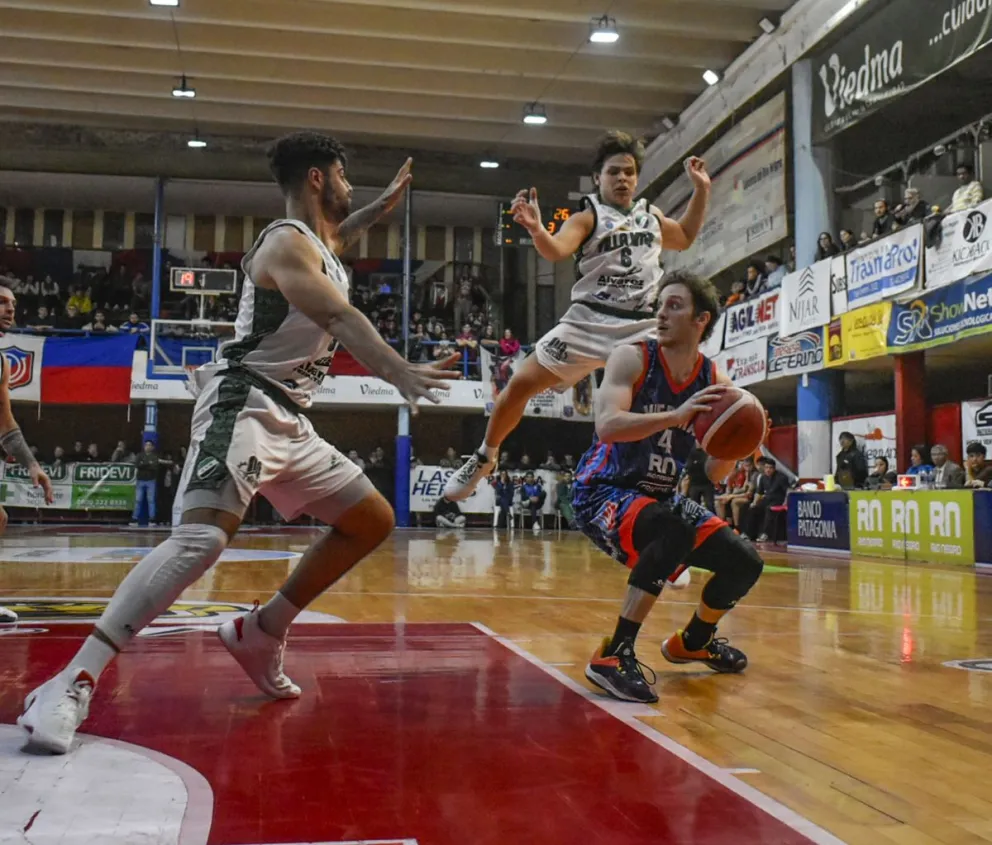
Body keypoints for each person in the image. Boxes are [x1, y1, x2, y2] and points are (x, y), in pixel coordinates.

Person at [18, 131, 457, 754]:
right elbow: (337, 317)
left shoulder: (325, 245)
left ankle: (262, 630)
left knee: (370, 519)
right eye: (343, 175)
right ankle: (71, 681)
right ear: (316, 178)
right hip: (244, 400)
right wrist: (398, 370)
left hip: (291, 417)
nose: (349, 186)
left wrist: (380, 207)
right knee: (200, 540)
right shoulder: (285, 243)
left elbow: (347, 230)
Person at [444, 131, 711, 501]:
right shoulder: (587, 218)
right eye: (614, 172)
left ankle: (674, 479)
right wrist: (537, 229)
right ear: (598, 178)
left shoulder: (651, 217)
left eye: (629, 172)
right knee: (519, 384)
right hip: (588, 321)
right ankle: (484, 458)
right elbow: (555, 250)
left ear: (636, 178)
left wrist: (701, 190)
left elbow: (684, 236)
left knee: (682, 390)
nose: (622, 179)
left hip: (640, 324)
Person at [575, 270, 764, 703]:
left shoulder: (714, 381)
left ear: (701, 320)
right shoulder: (632, 358)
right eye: (659, 305)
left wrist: (741, 443)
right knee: (672, 531)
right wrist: (676, 417)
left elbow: (713, 473)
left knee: (744, 561)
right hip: (602, 489)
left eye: (674, 306)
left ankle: (694, 641)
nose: (661, 314)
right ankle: (613, 654)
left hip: (659, 496)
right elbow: (607, 426)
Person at [0, 283, 55, 624]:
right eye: (1, 302)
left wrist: (33, 465)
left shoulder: (2, 362)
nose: (10, 309)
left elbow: (5, 423)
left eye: (13, 303)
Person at [743, 458, 789, 543]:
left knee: (769, 509)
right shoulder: (763, 477)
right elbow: (759, 492)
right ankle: (748, 534)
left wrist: (785, 503)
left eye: (770, 468)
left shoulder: (781, 477)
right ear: (764, 468)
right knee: (752, 508)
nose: (768, 470)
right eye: (766, 467)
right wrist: (754, 503)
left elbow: (787, 491)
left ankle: (765, 534)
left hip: (778, 500)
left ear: (774, 469)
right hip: (767, 499)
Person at [130, 439, 160, 527]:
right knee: (138, 500)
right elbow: (137, 465)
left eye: (149, 445)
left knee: (151, 500)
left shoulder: (155, 457)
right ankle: (134, 519)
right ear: (144, 446)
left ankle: (152, 519)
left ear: (153, 447)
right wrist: (148, 464)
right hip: (140, 480)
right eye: (146, 445)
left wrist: (143, 464)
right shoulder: (139, 455)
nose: (148, 447)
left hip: (151, 481)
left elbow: (154, 467)